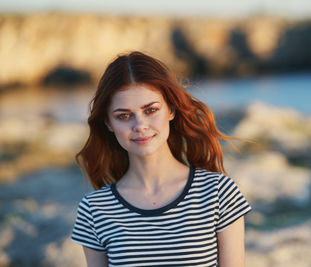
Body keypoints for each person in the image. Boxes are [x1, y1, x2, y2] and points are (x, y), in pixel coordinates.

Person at [70, 51, 252, 267]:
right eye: (124, 116)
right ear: (108, 124)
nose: (140, 125)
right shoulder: (94, 209)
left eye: (151, 110)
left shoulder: (218, 193)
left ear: (171, 110)